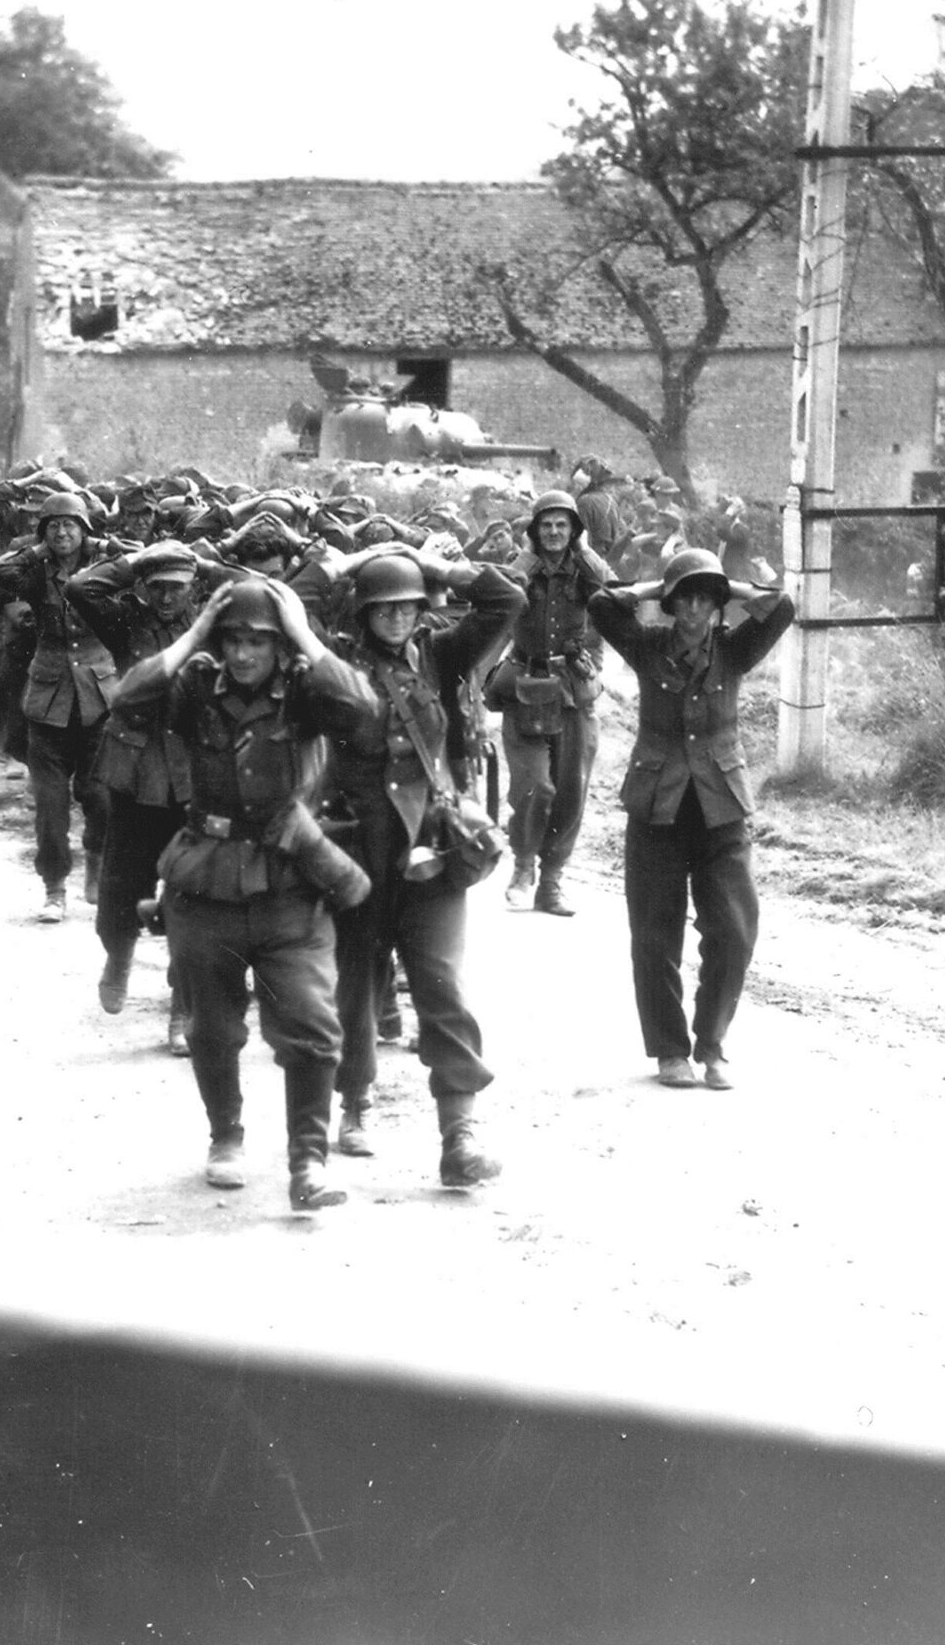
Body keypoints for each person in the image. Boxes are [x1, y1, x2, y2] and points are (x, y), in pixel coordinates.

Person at [110, 576, 375, 1210]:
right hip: (205, 881)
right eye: (233, 640)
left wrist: (304, 633)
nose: (244, 654)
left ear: (279, 645)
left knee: (312, 1028)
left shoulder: (306, 692)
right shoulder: (197, 686)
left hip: (289, 880)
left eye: (259, 641)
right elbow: (125, 699)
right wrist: (194, 634)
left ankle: (307, 1163)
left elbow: (363, 710)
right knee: (212, 1027)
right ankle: (225, 1135)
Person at [327, 547, 524, 1184]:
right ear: (364, 612)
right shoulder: (334, 664)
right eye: (384, 608)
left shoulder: (438, 655)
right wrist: (348, 560)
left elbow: (507, 600)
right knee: (356, 983)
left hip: (431, 852)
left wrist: (430, 563)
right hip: (358, 849)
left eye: (408, 606)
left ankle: (458, 1134)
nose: (396, 619)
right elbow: (288, 602)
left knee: (441, 984)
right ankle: (354, 1104)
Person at [588, 547, 794, 1091]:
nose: (696, 610)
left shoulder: (735, 651)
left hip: (720, 805)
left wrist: (734, 586)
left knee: (733, 929)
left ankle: (712, 1044)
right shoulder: (646, 645)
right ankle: (670, 1052)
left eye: (706, 599)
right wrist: (656, 586)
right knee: (654, 935)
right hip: (656, 804)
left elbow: (783, 606)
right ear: (672, 604)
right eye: (686, 599)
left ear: (717, 605)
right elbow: (602, 603)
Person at [66, 538, 205, 1032]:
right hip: (135, 768)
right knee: (124, 880)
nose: (168, 597)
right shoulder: (128, 622)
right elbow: (80, 587)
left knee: (192, 888)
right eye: (158, 586)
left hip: (193, 772)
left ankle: (182, 1003)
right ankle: (119, 955)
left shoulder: (207, 627)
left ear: (193, 589)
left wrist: (202, 561)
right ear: (145, 586)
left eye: (178, 588)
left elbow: (255, 588)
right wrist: (136, 561)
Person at [0, 489, 118, 922]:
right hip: (48, 699)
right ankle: (54, 887)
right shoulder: (34, 570)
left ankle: (96, 866)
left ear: (85, 530)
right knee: (50, 805)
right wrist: (38, 549)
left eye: (71, 525)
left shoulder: (104, 567)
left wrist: (107, 549)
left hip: (99, 697)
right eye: (54, 525)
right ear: (44, 533)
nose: (63, 532)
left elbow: (142, 562)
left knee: (100, 797)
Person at [494, 489, 615, 915]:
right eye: (545, 524)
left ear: (574, 530)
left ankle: (551, 880)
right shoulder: (522, 567)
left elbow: (610, 592)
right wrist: (526, 559)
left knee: (570, 791)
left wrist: (582, 551)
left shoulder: (583, 568)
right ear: (534, 529)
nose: (553, 532)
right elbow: (502, 591)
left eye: (563, 524)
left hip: (573, 688)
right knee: (532, 785)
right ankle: (523, 865)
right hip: (527, 683)